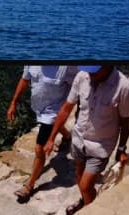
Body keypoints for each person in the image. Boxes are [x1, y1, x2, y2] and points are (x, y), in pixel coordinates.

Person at [50, 65, 129, 215]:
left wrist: (121, 148)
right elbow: (66, 108)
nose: (90, 75)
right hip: (78, 139)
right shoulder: (82, 76)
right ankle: (86, 200)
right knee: (79, 175)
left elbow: (126, 121)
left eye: (94, 71)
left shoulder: (123, 86)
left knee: (85, 184)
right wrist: (51, 138)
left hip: (101, 146)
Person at [7, 64, 78, 203]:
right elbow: (25, 79)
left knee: (39, 149)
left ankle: (29, 185)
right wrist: (13, 102)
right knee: (51, 126)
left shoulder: (66, 67)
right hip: (39, 107)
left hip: (53, 111)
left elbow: (79, 83)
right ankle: (67, 136)